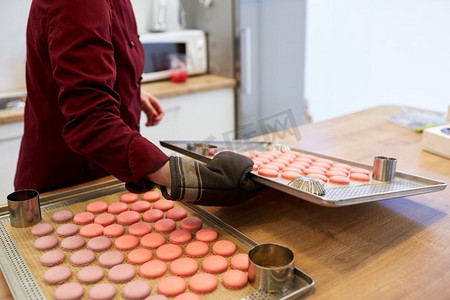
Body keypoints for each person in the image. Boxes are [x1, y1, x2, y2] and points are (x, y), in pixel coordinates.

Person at [14, 0, 262, 206]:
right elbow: (91, 120)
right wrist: (182, 176)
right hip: (68, 182)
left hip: (105, 174)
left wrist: (130, 90)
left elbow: (95, 63)